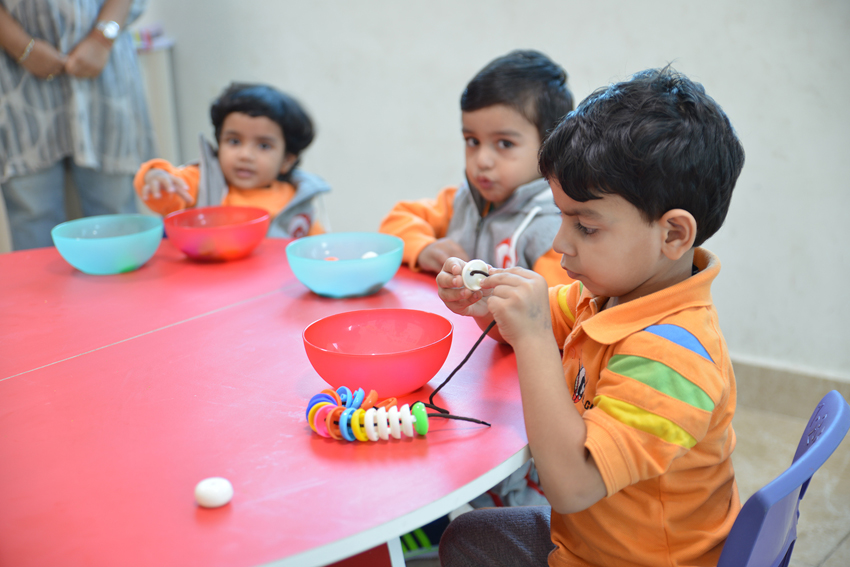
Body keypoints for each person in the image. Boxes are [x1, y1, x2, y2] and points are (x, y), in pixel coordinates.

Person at [436, 66, 746, 566]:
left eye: (585, 226)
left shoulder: (674, 358)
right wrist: (485, 300)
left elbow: (571, 487)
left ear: (672, 235)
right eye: (562, 216)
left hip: (639, 560)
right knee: (467, 538)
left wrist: (534, 338)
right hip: (593, 539)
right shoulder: (608, 296)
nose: (561, 242)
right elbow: (518, 323)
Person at [379, 49, 574, 287]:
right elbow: (395, 223)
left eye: (505, 144)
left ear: (550, 146)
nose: (482, 160)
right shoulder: (461, 201)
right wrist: (424, 248)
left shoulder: (555, 233)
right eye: (472, 141)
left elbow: (557, 304)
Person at [0, 0, 156, 250]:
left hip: (104, 72)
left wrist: (102, 39)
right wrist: (22, 47)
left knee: (114, 216)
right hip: (15, 82)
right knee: (33, 219)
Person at [135, 82, 330, 238]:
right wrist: (156, 177)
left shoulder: (296, 199)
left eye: (263, 146)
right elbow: (168, 195)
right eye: (234, 141)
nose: (245, 155)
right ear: (219, 143)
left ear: (287, 161)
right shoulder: (203, 182)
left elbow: (318, 247)